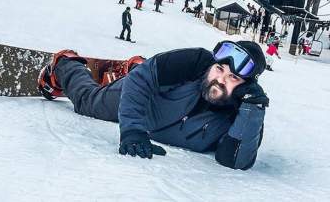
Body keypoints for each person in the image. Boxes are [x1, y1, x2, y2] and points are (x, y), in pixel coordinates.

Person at [38, 40, 268, 170]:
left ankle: (137, 67)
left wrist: (253, 108)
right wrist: (133, 130)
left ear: (244, 88)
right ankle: (64, 65)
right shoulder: (195, 61)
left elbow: (234, 160)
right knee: (89, 102)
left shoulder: (242, 112)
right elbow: (141, 81)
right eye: (220, 69)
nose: (220, 79)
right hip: (144, 99)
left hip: (150, 99)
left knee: (145, 73)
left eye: (233, 78)